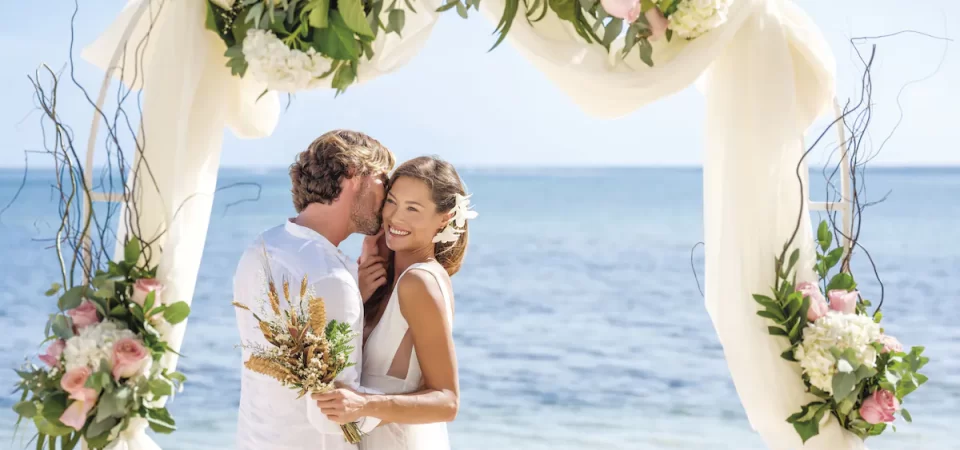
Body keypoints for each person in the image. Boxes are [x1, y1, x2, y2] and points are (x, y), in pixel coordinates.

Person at [232, 130, 395, 450]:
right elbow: (335, 415)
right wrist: (409, 398)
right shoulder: (333, 279)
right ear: (354, 174)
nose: (386, 195)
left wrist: (355, 298)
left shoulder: (262, 247)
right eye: (382, 180)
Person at [313, 156, 476, 450]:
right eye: (392, 202)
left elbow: (447, 401)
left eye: (413, 208)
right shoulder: (387, 280)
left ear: (445, 218)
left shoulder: (420, 282)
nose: (395, 217)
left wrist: (363, 404)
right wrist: (357, 295)